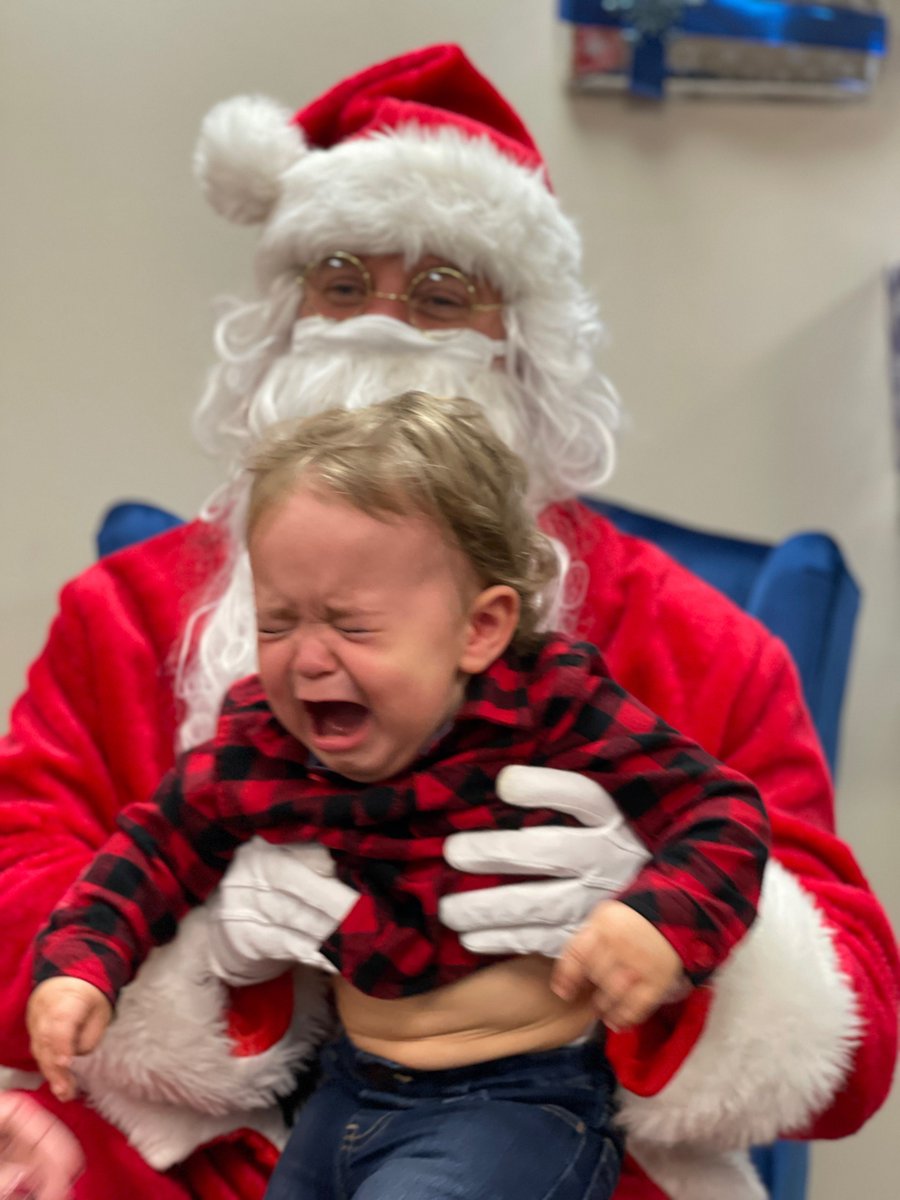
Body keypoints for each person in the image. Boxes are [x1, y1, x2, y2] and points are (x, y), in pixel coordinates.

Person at [0, 41, 896, 1200]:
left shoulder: (692, 638)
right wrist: (197, 951)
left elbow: (857, 1040)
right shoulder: (126, 613)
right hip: (207, 1162)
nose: (383, 328)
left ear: (521, 343)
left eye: (439, 294)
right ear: (282, 317)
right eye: (339, 279)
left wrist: (671, 918)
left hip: (539, 1137)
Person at [27, 391, 770, 1200]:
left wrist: (657, 919)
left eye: (352, 626)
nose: (307, 660)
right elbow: (152, 847)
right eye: (277, 623)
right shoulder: (266, 746)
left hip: (517, 1103)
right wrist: (80, 969)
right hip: (344, 1094)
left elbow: (722, 815)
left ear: (479, 628)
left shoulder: (550, 709)